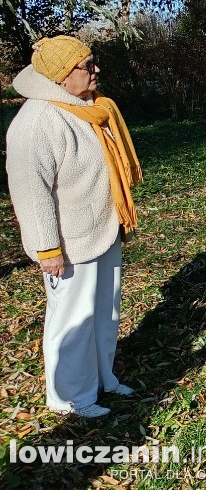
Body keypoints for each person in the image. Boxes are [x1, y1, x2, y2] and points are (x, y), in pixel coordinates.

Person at [7, 36, 143, 418]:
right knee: (73, 319)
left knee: (104, 312)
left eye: (93, 62)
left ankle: (102, 379)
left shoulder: (91, 108)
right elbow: (31, 191)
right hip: (68, 243)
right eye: (87, 65)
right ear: (62, 76)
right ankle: (70, 397)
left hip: (103, 230)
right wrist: (47, 248)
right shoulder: (37, 122)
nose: (95, 70)